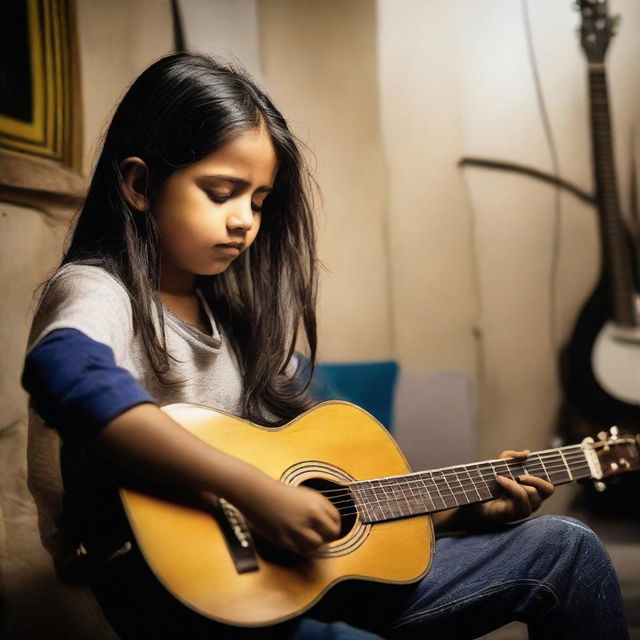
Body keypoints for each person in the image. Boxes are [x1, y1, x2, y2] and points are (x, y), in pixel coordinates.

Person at [22, 52, 628, 640]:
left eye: (258, 201)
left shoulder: (230, 318)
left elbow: (330, 508)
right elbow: (63, 370)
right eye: (221, 191)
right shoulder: (100, 290)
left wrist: (457, 513)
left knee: (566, 547)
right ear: (138, 184)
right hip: (161, 597)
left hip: (277, 586)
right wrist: (253, 492)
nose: (245, 221)